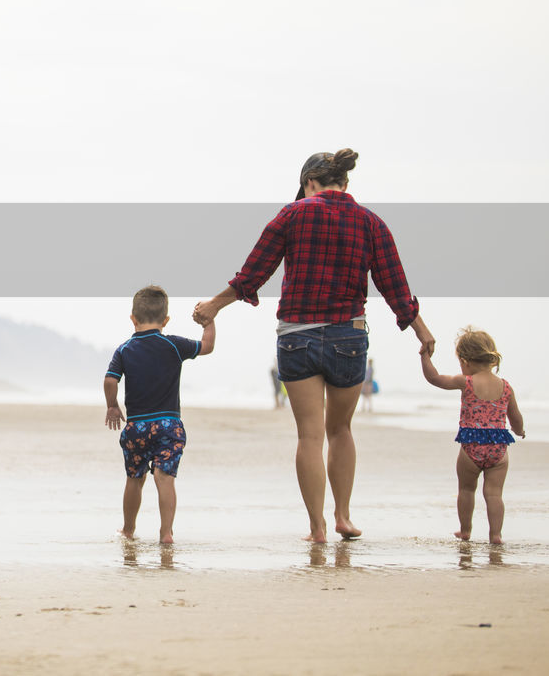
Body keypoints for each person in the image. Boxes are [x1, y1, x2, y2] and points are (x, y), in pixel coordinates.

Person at [193, 149, 435, 543]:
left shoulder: (292, 214)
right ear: (344, 183)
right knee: (340, 429)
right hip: (348, 337)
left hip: (297, 337)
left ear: (309, 183)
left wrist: (213, 307)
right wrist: (422, 332)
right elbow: (396, 286)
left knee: (310, 435)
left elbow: (254, 272)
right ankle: (343, 516)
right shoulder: (371, 223)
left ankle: (317, 528)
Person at [104, 284, 215, 544]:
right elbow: (207, 346)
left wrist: (112, 405)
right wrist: (208, 321)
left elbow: (110, 380)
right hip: (168, 424)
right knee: (164, 478)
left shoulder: (124, 350)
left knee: (134, 478)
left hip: (137, 427)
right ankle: (166, 533)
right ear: (165, 320)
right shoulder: (174, 345)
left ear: (133, 318)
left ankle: (128, 529)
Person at [421, 326, 525, 544]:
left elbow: (435, 378)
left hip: (471, 445)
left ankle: (465, 530)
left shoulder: (465, 381)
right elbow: (515, 417)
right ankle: (495, 535)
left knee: (467, 489)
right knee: (494, 494)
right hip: (498, 447)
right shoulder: (506, 387)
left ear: (466, 361)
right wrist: (519, 430)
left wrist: (425, 356)